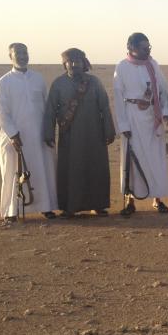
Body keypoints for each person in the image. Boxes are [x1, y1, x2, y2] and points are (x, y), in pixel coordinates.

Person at [43, 48, 116, 218]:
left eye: (78, 61)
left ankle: (98, 204)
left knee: (96, 168)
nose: (75, 65)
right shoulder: (58, 84)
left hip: (94, 134)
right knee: (70, 170)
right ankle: (69, 207)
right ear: (64, 64)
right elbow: (50, 110)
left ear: (84, 63)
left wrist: (109, 130)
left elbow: (104, 107)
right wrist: (48, 133)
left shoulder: (94, 82)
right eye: (71, 61)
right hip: (70, 136)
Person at [0, 43, 57, 222]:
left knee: (42, 170)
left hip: (37, 135)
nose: (23, 56)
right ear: (10, 57)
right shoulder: (2, 83)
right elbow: (2, 113)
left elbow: (46, 107)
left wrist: (48, 131)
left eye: (25, 52)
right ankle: (11, 211)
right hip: (14, 137)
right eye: (18, 53)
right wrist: (13, 134)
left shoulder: (38, 79)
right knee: (13, 172)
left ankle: (46, 207)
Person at [113, 32, 168, 215]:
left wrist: (165, 112)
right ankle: (131, 200)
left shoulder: (153, 64)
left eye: (149, 47)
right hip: (132, 119)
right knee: (133, 160)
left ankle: (157, 198)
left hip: (153, 118)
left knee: (156, 160)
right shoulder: (121, 67)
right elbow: (117, 97)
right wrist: (123, 125)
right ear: (132, 49)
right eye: (144, 48)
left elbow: (163, 90)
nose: (148, 51)